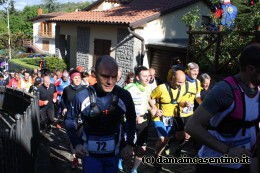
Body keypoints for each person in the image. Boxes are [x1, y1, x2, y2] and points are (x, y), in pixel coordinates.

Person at [186, 43, 260, 173]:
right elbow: (192, 126)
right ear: (251, 69)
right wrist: (227, 151)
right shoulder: (225, 90)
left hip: (243, 164)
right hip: (214, 166)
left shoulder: (257, 90)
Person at [65, 55, 136, 173]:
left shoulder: (124, 96)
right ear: (95, 74)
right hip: (90, 155)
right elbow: (69, 119)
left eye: (113, 77)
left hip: (114, 155)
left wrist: (129, 144)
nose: (110, 81)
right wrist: (76, 143)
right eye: (105, 76)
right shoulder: (82, 96)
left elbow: (131, 119)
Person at [150, 70, 186, 170]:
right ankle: (157, 157)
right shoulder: (161, 88)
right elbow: (149, 98)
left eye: (182, 82)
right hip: (159, 118)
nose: (181, 84)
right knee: (163, 139)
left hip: (171, 118)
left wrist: (185, 103)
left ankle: (156, 155)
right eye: (179, 82)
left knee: (165, 141)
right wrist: (155, 109)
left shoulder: (182, 89)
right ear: (172, 78)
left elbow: (180, 102)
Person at [124, 66, 155, 173]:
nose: (148, 79)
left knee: (142, 148)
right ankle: (120, 160)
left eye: (149, 76)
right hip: (130, 122)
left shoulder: (147, 88)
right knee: (129, 148)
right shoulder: (129, 89)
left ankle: (134, 169)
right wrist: (133, 118)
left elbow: (145, 104)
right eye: (145, 76)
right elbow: (120, 108)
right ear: (137, 77)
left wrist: (152, 109)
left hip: (143, 120)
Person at [61, 69, 85, 169]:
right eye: (75, 78)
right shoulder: (67, 89)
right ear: (71, 79)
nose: (77, 79)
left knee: (83, 139)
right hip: (71, 117)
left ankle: (84, 161)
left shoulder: (85, 89)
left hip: (82, 118)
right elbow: (63, 100)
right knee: (73, 138)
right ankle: (75, 158)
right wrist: (64, 107)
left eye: (79, 78)